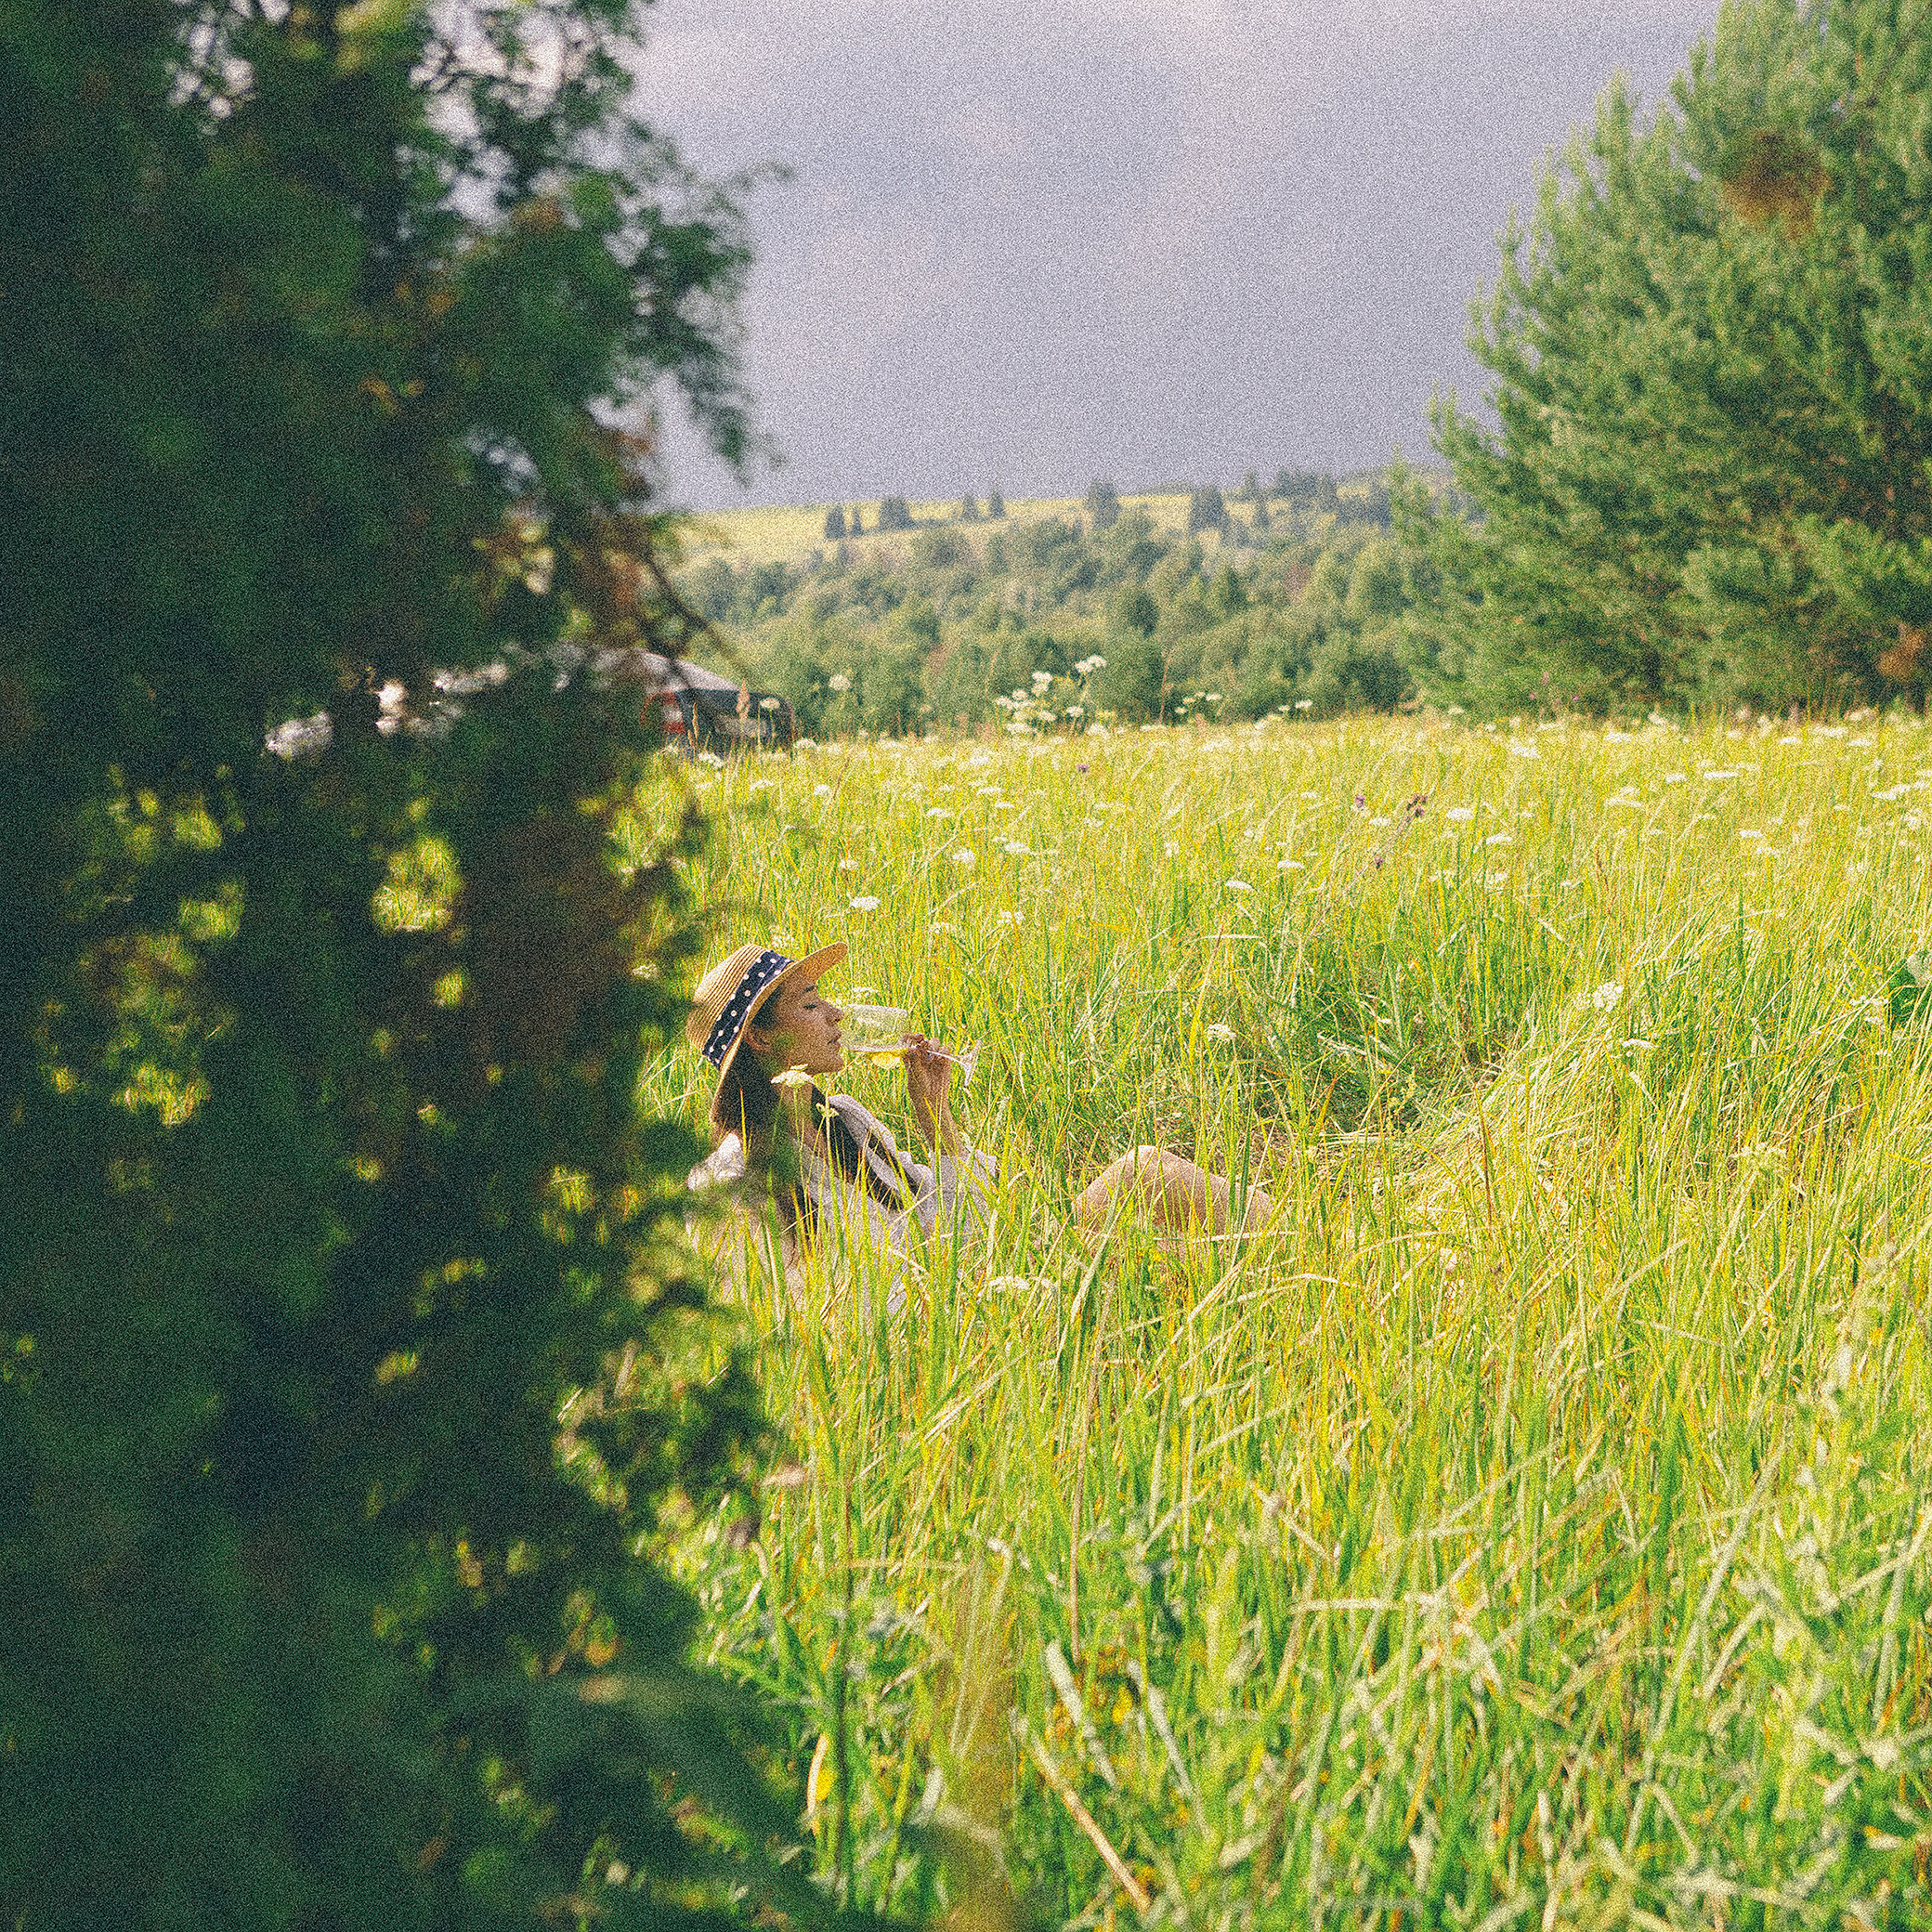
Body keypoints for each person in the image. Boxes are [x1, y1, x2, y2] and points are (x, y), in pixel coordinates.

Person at [685, 942, 1274, 1299]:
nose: (837, 1011)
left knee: (1146, 1170)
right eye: (811, 1004)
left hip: (993, 1275)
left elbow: (973, 1213)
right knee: (1161, 1262)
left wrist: (936, 1117)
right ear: (760, 1038)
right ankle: (1277, 1279)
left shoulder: (844, 1121)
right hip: (953, 1323)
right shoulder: (732, 1185)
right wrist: (965, 1294)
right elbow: (811, 1323)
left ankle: (1292, 1250)